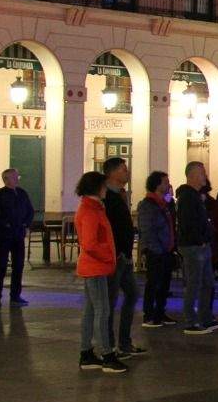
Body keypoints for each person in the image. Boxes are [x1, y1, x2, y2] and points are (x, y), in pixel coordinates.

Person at [75, 171, 128, 373]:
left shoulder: (94, 208)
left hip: (94, 266)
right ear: (97, 187)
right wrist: (108, 257)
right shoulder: (91, 210)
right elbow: (90, 243)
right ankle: (107, 355)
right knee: (102, 310)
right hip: (96, 267)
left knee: (91, 311)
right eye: (104, 186)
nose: (106, 189)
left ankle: (86, 352)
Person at [176, 161, 218, 333]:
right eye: (202, 173)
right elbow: (188, 223)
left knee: (207, 283)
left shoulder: (195, 196)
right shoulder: (188, 197)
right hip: (194, 247)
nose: (205, 176)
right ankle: (191, 321)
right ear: (192, 175)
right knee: (194, 284)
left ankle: (205, 317)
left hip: (200, 246)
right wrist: (200, 240)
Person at [102, 157, 143, 357]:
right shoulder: (106, 196)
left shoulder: (121, 194)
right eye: (123, 169)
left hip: (124, 255)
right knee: (109, 300)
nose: (127, 172)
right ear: (113, 173)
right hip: (114, 256)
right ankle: (108, 345)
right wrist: (116, 251)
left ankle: (125, 342)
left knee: (133, 294)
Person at [137, 172, 178, 326]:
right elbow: (147, 229)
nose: (168, 185)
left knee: (164, 284)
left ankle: (160, 312)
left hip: (166, 249)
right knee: (154, 283)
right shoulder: (148, 205)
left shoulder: (164, 203)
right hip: (156, 251)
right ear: (157, 185)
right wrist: (156, 249)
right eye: (166, 182)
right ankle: (149, 314)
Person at [0, 167, 34, 307]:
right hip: (4, 235)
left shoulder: (21, 193)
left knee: (18, 265)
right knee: (0, 265)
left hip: (18, 234)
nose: (17, 179)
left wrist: (25, 223)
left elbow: (29, 210)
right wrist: (6, 224)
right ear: (6, 179)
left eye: (17, 177)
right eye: (14, 177)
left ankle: (15, 295)